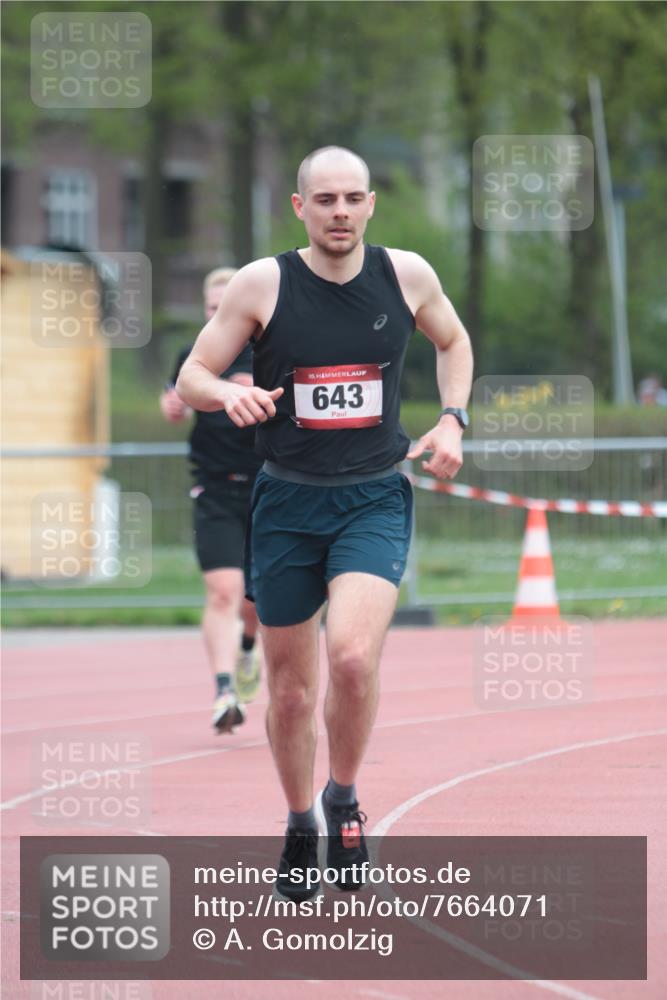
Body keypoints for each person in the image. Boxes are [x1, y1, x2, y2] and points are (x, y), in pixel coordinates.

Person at [176, 146, 473, 900]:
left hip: (373, 495)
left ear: (371, 203)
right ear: (299, 207)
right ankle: (299, 817)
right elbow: (192, 373)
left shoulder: (406, 275)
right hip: (284, 501)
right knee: (290, 690)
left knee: (348, 657)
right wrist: (224, 394)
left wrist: (451, 420)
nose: (339, 212)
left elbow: (454, 342)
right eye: (324, 199)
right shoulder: (261, 283)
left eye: (352, 199)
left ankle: (342, 798)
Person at [160, 267, 262, 734]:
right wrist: (173, 405)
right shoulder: (193, 355)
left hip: (268, 489)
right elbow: (174, 398)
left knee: (254, 600)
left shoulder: (268, 350)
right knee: (223, 591)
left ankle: (246, 647)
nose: (216, 316)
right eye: (209, 308)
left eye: (225, 307)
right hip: (215, 487)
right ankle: (224, 691)